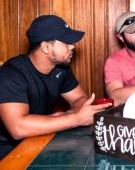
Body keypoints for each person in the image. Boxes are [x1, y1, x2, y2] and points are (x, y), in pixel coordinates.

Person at [0, 15, 112, 160]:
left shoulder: (61, 69)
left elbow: (80, 99)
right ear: (46, 47)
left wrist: (67, 116)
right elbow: (18, 127)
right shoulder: (11, 73)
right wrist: (76, 118)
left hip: (39, 141)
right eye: (66, 42)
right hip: (8, 152)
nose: (72, 46)